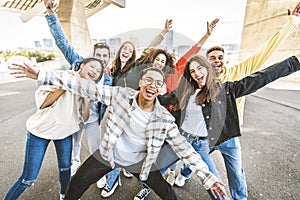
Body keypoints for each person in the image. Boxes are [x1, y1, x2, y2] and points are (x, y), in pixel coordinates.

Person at [11, 64, 228, 200]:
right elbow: (86, 88)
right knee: (76, 184)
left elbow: (184, 149)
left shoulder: (164, 119)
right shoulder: (121, 95)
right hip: (108, 155)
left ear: (161, 89)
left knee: (167, 193)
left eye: (158, 83)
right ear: (141, 83)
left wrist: (207, 177)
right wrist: (42, 74)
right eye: (148, 80)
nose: (152, 85)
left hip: (139, 162)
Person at [195, 3, 300, 199]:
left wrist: (291, 23)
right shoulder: (200, 80)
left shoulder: (237, 73)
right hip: (207, 135)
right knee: (195, 161)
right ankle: (183, 173)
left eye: (220, 57)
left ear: (224, 60)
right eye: (212, 57)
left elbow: (265, 52)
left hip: (231, 136)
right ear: (207, 62)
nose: (216, 60)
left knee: (237, 176)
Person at [134, 18, 220, 200]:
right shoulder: (148, 75)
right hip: (154, 121)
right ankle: (148, 184)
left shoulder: (175, 73)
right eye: (157, 59)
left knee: (177, 154)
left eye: (163, 61)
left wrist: (207, 35)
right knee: (156, 158)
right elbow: (147, 51)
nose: (160, 63)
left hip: (174, 123)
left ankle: (173, 173)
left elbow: (193, 51)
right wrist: (163, 32)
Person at [5, 57, 104, 200]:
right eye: (92, 66)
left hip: (64, 133)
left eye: (98, 71)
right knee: (28, 179)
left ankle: (64, 194)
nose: (95, 71)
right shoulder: (61, 76)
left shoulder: (86, 90)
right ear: (82, 65)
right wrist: (65, 86)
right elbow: (44, 103)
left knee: (65, 169)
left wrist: (87, 100)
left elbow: (85, 117)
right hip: (40, 131)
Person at [43, 0, 112, 177]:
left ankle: (99, 173)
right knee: (75, 143)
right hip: (74, 115)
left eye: (105, 56)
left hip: (92, 118)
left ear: (109, 59)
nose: (102, 59)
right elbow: (62, 43)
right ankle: (75, 162)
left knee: (96, 147)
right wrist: (50, 12)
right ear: (93, 56)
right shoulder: (79, 63)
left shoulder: (109, 78)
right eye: (98, 55)